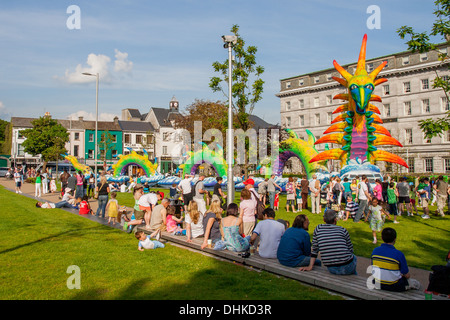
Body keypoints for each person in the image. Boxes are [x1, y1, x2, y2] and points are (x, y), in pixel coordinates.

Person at [299, 210, 357, 275]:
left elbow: (314, 250)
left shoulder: (318, 229)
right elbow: (350, 249)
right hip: (347, 266)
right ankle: (355, 276)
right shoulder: (342, 230)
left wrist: (310, 266)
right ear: (335, 219)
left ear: (324, 219)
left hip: (331, 267)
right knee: (353, 257)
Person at [371, 227, 421, 291]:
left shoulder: (375, 251)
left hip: (377, 283)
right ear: (395, 239)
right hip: (394, 286)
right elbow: (407, 275)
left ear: (382, 238)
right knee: (417, 284)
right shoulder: (398, 254)